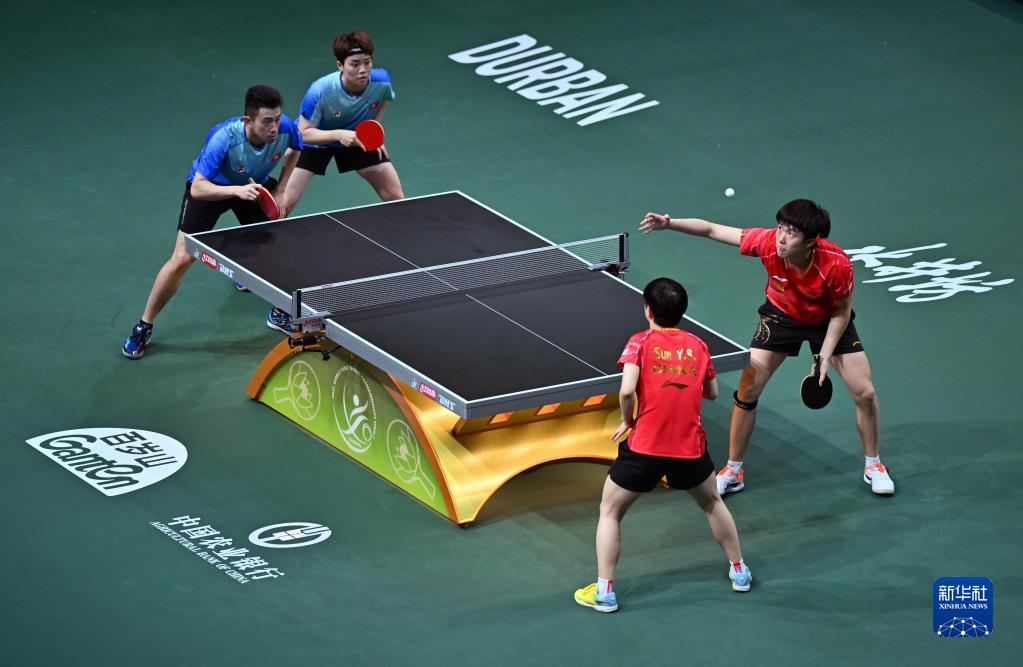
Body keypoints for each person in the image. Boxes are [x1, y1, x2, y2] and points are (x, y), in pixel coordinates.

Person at [639, 200, 895, 496]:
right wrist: (669, 223)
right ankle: (733, 471)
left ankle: (874, 465)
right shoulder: (767, 243)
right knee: (746, 392)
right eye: (781, 228)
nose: (782, 238)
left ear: (811, 241)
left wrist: (824, 355)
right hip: (781, 316)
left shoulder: (836, 264)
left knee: (865, 392)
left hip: (827, 319)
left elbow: (841, 311)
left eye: (792, 233)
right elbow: (711, 230)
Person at [574, 278, 751, 613]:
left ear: (648, 311)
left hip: (644, 448)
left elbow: (627, 390)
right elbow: (712, 393)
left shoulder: (639, 342)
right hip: (689, 449)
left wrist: (627, 420)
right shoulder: (698, 345)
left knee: (610, 512)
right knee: (712, 503)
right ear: (682, 313)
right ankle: (740, 571)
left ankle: (604, 592)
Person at [122, 85, 303, 359]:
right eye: (267, 121)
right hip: (213, 189)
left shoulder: (286, 128)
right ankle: (144, 325)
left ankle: (278, 311)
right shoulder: (224, 139)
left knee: (274, 244)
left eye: (277, 119)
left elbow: (296, 149)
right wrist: (235, 191)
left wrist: (281, 188)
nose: (274, 128)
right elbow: (198, 188)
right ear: (248, 120)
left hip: (252, 186)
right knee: (182, 258)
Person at [282, 30, 404, 211]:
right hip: (316, 140)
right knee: (285, 204)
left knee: (397, 199)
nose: (363, 70)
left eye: (367, 62)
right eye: (354, 64)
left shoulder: (382, 82)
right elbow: (302, 133)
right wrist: (338, 135)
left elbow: (384, 101)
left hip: (357, 138)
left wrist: (374, 130)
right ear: (340, 65)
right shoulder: (320, 91)